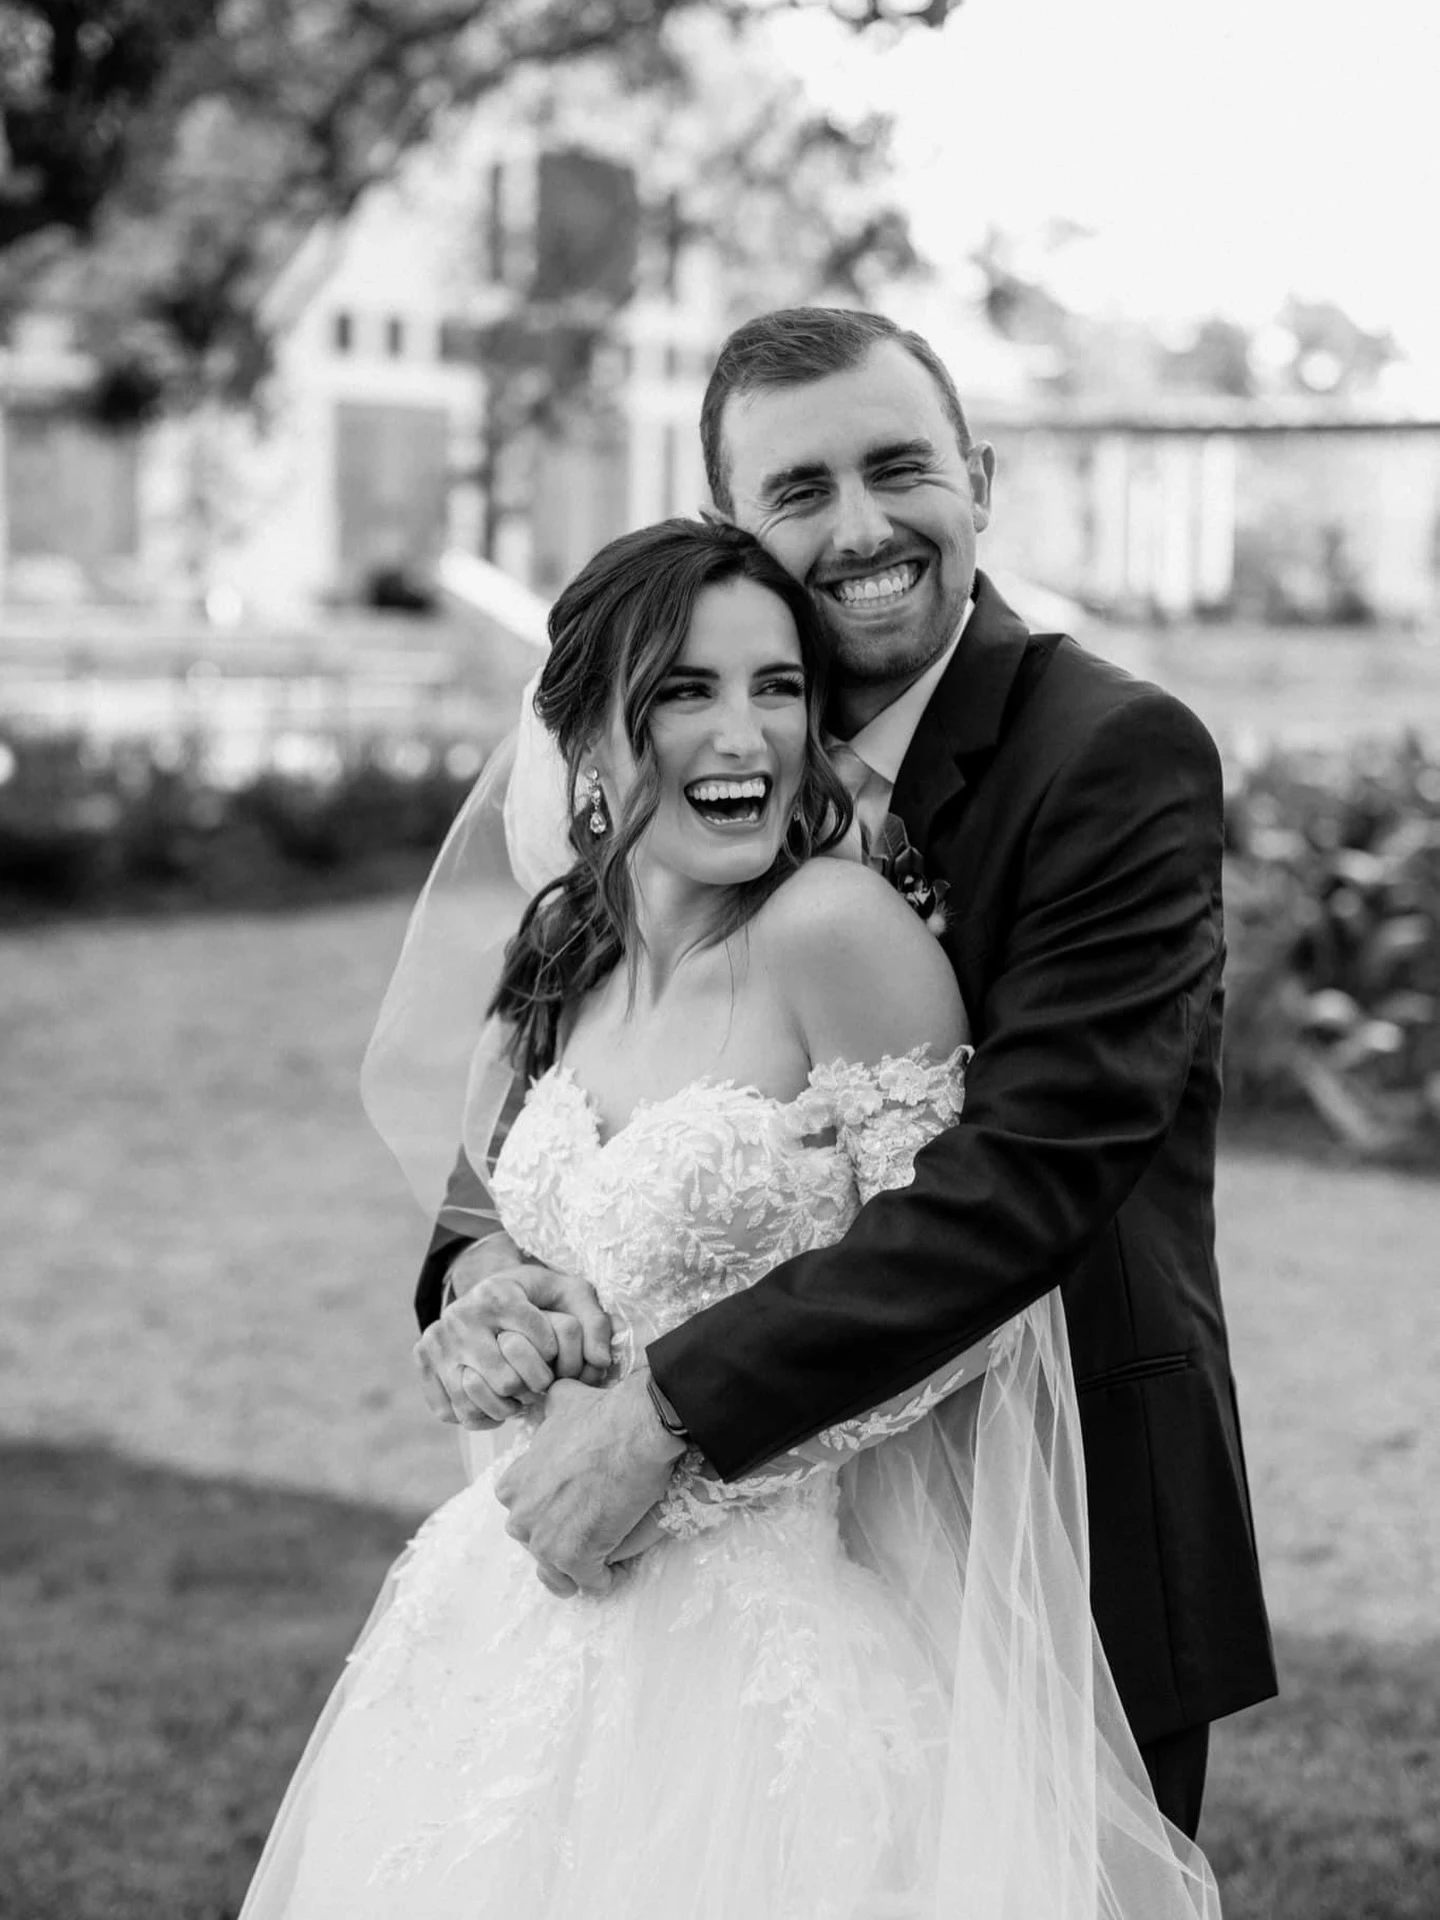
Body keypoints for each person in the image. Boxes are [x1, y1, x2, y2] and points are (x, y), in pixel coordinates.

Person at [243, 517, 1222, 1918]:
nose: (745, 734)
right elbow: (495, 1215)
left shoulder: (837, 932)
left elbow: (972, 1311)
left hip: (765, 1648)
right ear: (580, 732)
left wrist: (669, 1453)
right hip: (512, 1604)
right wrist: (488, 1300)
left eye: (776, 688)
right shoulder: (558, 954)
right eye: (686, 691)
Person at [412, 308, 1277, 1844]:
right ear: (731, 528)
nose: (864, 528)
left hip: (1054, 1534)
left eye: (901, 470)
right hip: (694, 1577)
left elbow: (1036, 1173)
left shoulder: (1112, 754)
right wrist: (485, 1273)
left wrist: (663, 1415)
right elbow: (546, 1103)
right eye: (800, 492)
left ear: (981, 481)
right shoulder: (678, 788)